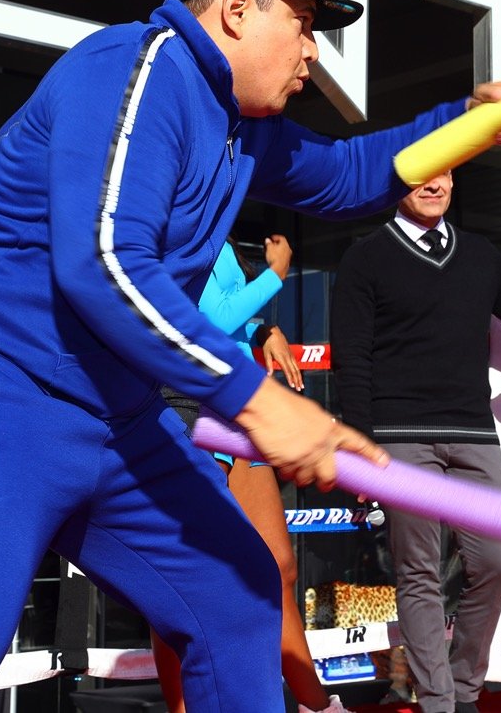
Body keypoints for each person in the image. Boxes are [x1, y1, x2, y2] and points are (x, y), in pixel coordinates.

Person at [0, 0, 501, 713]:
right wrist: (259, 400)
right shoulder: (136, 69)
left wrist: (468, 123)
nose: (313, 54)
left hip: (111, 412)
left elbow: (344, 174)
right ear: (237, 9)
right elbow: (103, 264)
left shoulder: (240, 127)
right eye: (303, 26)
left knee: (236, 597)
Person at [330, 170, 501, 713]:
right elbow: (352, 358)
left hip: (474, 432)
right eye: (423, 174)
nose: (435, 183)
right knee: (419, 572)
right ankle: (441, 703)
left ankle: (463, 689)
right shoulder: (364, 257)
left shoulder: (481, 255)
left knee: (498, 563)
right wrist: (361, 446)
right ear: (398, 183)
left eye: (446, 172)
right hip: (399, 437)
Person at [152, 234, 344, 713]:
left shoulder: (214, 222)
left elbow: (225, 311)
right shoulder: (173, 222)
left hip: (239, 408)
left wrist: (260, 329)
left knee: (279, 565)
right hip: (187, 406)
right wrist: (276, 274)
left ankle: (316, 706)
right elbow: (207, 320)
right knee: (183, 582)